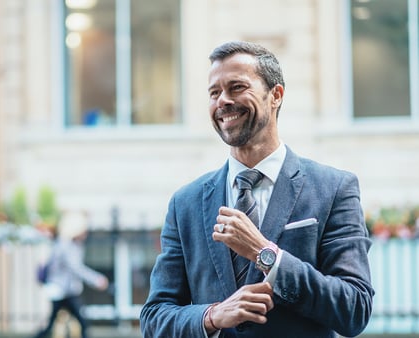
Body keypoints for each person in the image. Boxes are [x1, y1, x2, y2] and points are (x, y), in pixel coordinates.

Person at [140, 41, 374, 338]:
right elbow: (154, 318)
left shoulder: (334, 188)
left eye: (237, 87)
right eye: (214, 92)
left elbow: (354, 309)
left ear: (275, 95)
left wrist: (266, 255)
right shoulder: (185, 202)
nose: (223, 100)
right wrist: (212, 315)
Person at [32, 210, 109, 338]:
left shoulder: (66, 244)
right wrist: (97, 279)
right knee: (80, 323)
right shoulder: (67, 246)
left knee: (54, 325)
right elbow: (76, 268)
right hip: (63, 290)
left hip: (64, 290)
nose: (86, 234)